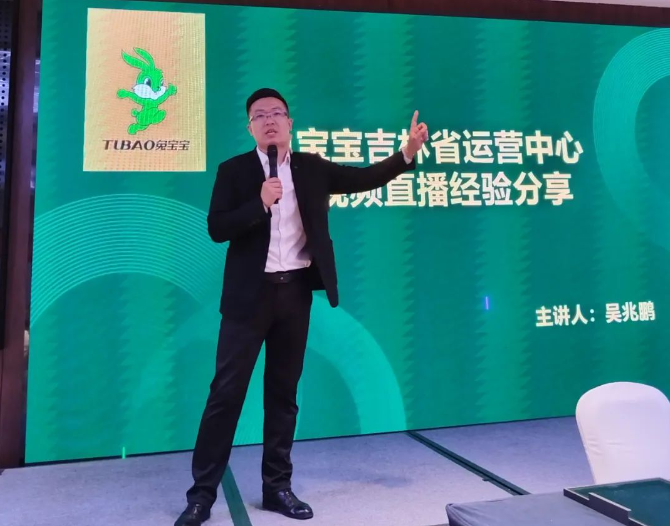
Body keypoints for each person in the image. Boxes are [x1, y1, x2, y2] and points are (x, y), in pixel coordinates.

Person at [175, 88, 429, 526]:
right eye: (260, 115)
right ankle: (200, 496)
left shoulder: (312, 167)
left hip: (294, 295)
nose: (270, 120)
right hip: (247, 299)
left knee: (283, 395)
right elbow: (217, 227)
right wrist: (259, 202)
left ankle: (277, 488)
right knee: (225, 395)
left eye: (277, 113)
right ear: (250, 127)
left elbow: (363, 178)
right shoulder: (233, 171)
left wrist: (406, 153)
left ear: (290, 123)